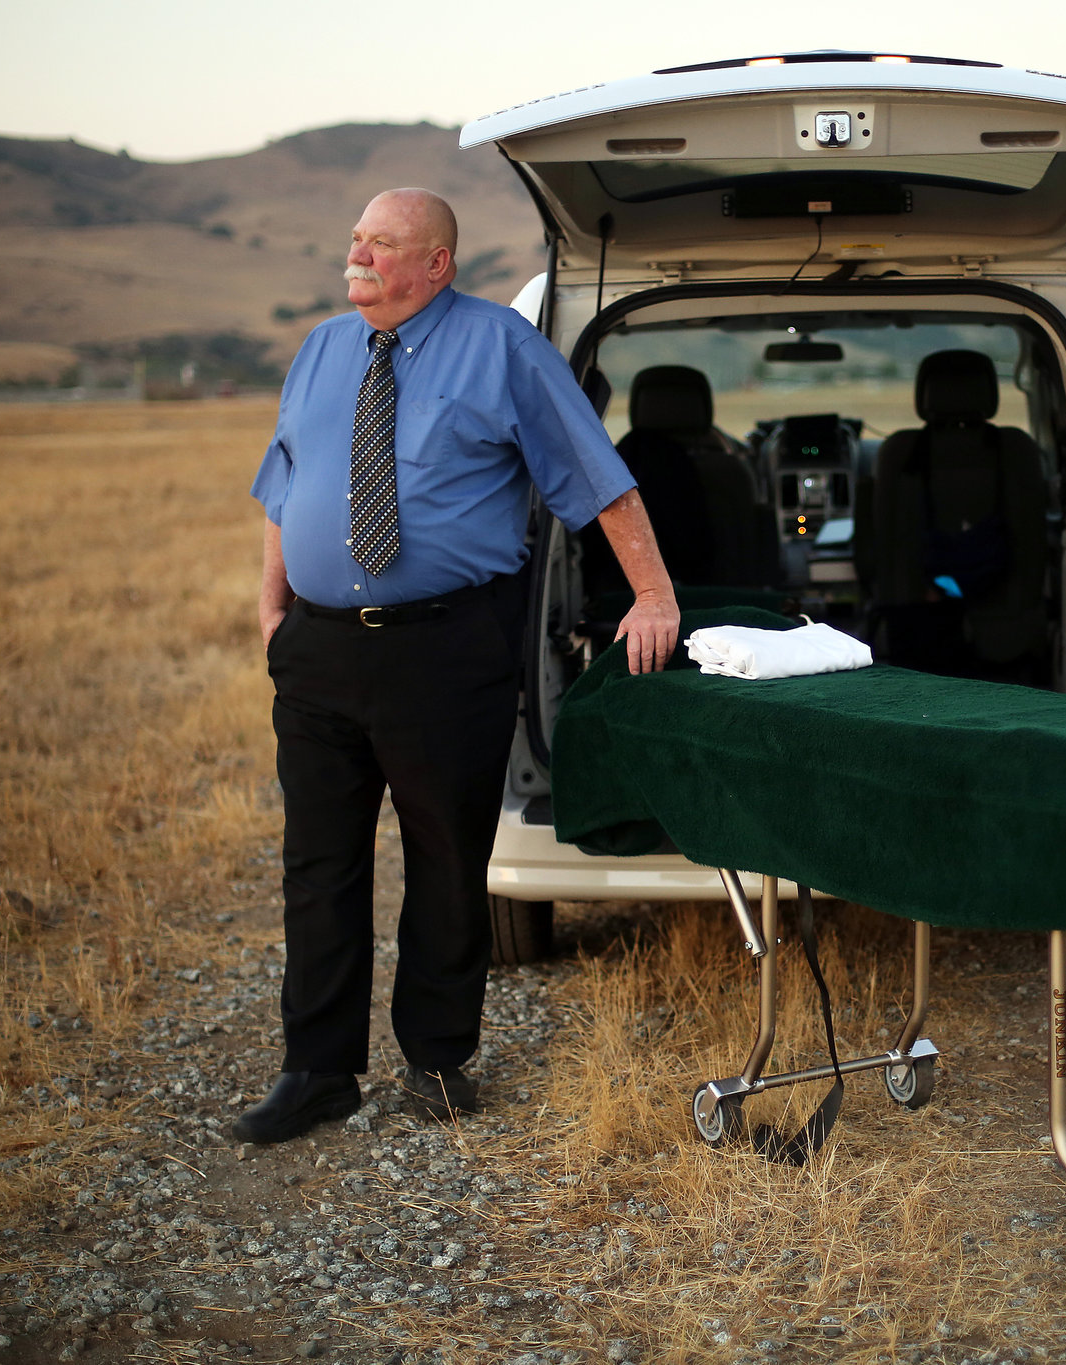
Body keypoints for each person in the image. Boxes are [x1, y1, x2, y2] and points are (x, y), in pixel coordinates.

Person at [234, 188, 680, 1144]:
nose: (358, 255)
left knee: (444, 857)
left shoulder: (502, 348)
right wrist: (273, 607)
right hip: (318, 647)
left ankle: (436, 1060)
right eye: (356, 238)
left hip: (443, 648)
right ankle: (317, 1070)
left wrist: (653, 595)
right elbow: (285, 483)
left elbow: (596, 475)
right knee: (316, 862)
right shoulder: (321, 348)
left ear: (437, 263)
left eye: (382, 243)